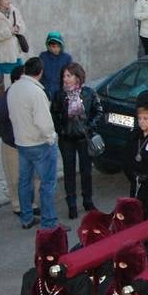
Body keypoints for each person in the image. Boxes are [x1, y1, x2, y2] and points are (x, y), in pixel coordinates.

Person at [7, 56, 60, 231]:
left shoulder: (13, 89)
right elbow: (44, 122)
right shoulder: (36, 92)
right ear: (40, 72)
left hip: (22, 143)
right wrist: (51, 138)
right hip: (39, 144)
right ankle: (49, 222)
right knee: (47, 184)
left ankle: (26, 218)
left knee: (24, 182)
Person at [50, 62, 102, 220]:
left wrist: (89, 126)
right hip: (67, 139)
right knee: (69, 171)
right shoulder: (59, 95)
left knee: (86, 170)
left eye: (69, 75)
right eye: (64, 76)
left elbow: (98, 111)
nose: (66, 79)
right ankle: (71, 204)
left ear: (77, 77)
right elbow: (54, 114)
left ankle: (88, 200)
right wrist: (61, 130)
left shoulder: (88, 93)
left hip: (83, 138)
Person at [0, 64, 37, 220]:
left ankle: (33, 205)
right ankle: (18, 206)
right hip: (13, 145)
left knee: (35, 176)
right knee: (15, 177)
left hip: (30, 142)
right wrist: (11, 139)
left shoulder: (31, 94)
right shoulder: (7, 98)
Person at [38, 31, 72, 100]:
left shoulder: (67, 58)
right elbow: (39, 73)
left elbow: (69, 75)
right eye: (53, 46)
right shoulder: (43, 56)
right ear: (48, 46)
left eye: (58, 46)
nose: (56, 49)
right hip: (45, 91)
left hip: (61, 91)